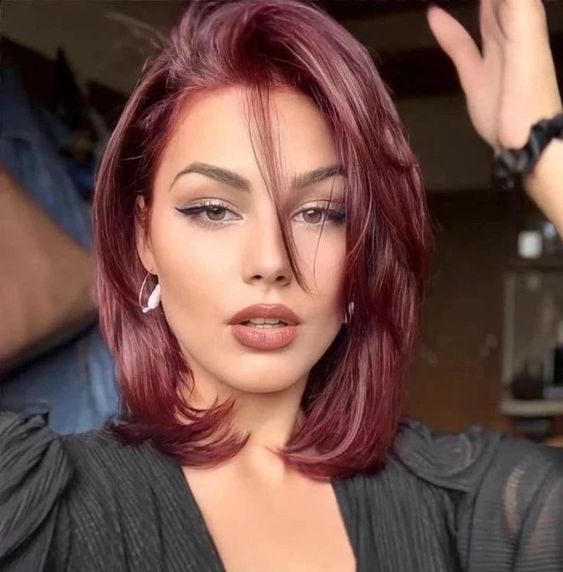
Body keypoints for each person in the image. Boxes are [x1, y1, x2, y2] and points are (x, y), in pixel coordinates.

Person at [1, 0, 562, 570]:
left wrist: (544, 154)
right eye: (213, 209)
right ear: (144, 237)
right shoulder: (35, 506)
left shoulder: (469, 507)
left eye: (320, 213)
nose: (271, 261)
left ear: (362, 250)